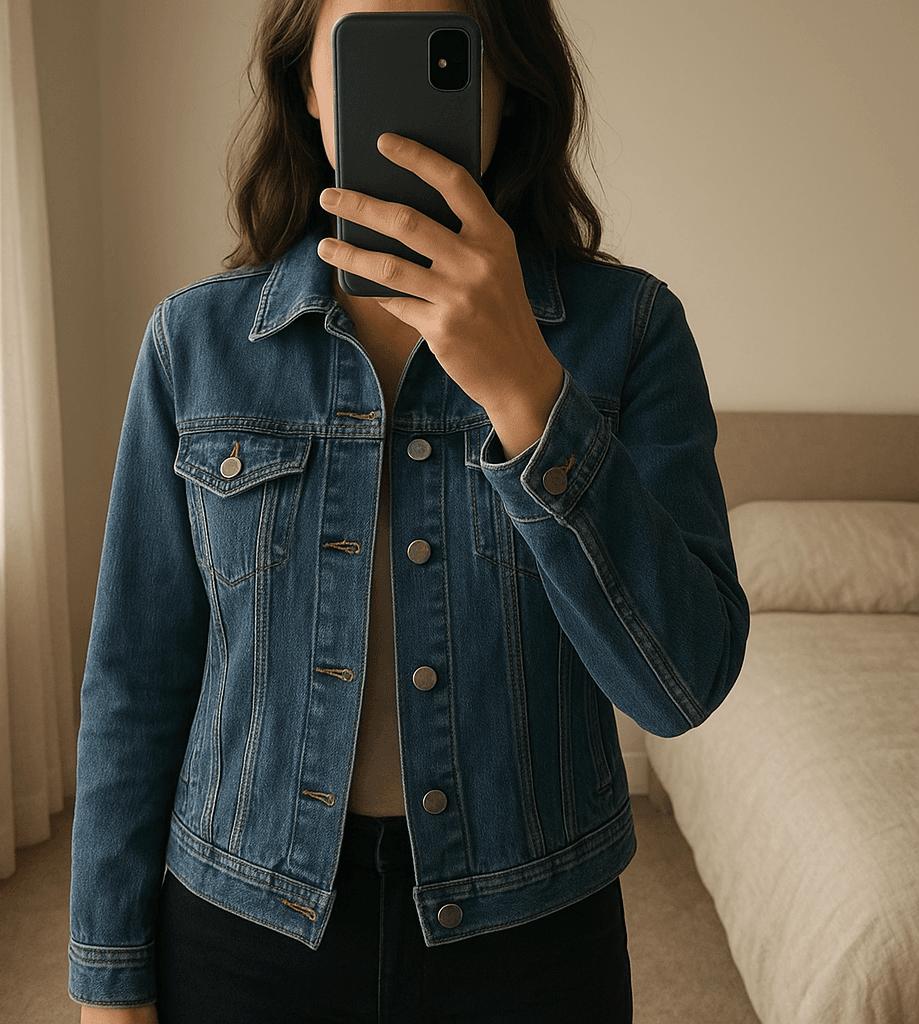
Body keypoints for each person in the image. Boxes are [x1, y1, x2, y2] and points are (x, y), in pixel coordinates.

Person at [68, 0, 750, 1021]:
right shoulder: (194, 347)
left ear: (505, 81)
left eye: (443, 51)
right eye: (361, 47)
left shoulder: (630, 334)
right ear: (306, 86)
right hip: (241, 930)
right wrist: (108, 980)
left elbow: (680, 684)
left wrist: (528, 394)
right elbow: (134, 679)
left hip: (530, 943)